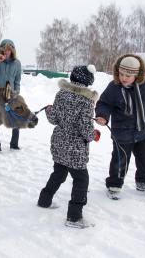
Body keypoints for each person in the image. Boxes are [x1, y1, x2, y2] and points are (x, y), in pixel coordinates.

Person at [94, 54, 145, 200]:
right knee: (120, 159)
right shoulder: (114, 87)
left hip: (144, 131)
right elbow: (104, 103)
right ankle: (114, 184)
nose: (123, 78)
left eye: (128, 75)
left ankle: (143, 180)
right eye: (121, 74)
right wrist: (103, 115)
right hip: (122, 133)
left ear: (137, 74)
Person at [37, 65, 100, 229]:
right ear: (88, 82)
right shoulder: (87, 101)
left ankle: (44, 200)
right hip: (75, 149)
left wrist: (49, 110)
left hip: (58, 143)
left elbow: (53, 118)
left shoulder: (61, 94)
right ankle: (74, 217)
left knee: (59, 173)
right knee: (81, 180)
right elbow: (85, 129)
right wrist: (93, 135)